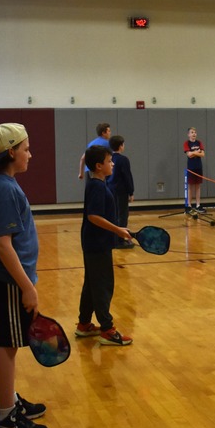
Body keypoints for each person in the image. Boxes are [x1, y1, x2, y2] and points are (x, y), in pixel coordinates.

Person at [0, 122, 49, 428]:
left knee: (4, 340)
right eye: (26, 148)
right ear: (11, 152)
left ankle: (9, 400)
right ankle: (5, 416)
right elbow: (3, 244)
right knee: (6, 343)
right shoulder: (4, 189)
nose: (30, 154)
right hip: (8, 280)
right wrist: (27, 286)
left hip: (6, 279)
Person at [78, 144, 134, 346]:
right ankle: (107, 330)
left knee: (92, 285)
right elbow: (93, 216)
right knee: (103, 285)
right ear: (99, 166)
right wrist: (118, 230)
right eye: (109, 161)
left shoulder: (97, 184)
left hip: (94, 243)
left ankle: (84, 324)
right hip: (97, 244)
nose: (112, 164)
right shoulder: (96, 186)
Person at [107, 135, 135, 249]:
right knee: (122, 215)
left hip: (110, 189)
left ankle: (112, 237)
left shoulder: (108, 158)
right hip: (121, 191)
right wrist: (131, 191)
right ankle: (119, 239)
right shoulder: (123, 160)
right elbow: (127, 176)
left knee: (112, 214)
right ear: (121, 146)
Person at [184, 127, 206, 214]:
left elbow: (203, 154)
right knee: (190, 187)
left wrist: (194, 152)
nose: (194, 134)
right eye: (192, 132)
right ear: (188, 134)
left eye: (195, 132)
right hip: (191, 168)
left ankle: (197, 205)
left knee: (198, 186)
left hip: (198, 167)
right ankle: (189, 205)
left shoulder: (199, 142)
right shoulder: (186, 143)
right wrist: (197, 152)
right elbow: (189, 155)